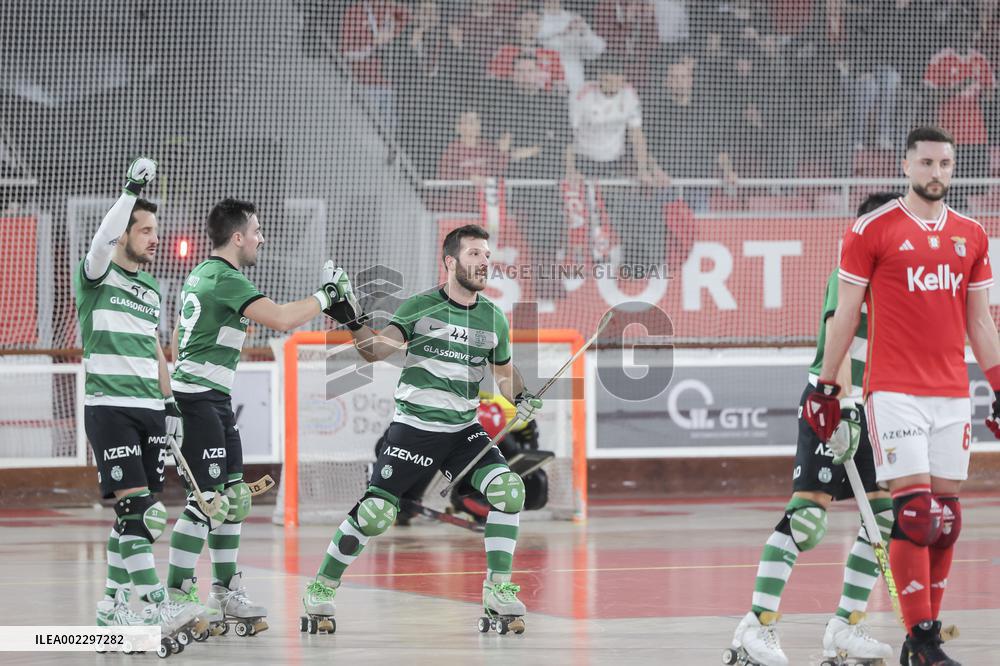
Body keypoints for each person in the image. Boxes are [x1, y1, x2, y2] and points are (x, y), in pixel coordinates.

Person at [806, 126, 1000, 666]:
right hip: (892, 391)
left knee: (946, 520)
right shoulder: (872, 229)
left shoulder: (973, 235)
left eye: (946, 164)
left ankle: (925, 634)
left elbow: (981, 322)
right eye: (927, 163)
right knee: (914, 514)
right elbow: (844, 315)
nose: (936, 173)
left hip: (952, 393)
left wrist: (999, 384)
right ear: (906, 166)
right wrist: (826, 385)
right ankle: (922, 641)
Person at [301, 224, 543, 635]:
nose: (485, 261)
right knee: (376, 514)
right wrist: (351, 319)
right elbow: (374, 352)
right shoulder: (418, 307)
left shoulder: (493, 318)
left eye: (486, 254)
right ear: (450, 261)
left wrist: (521, 397)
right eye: (474, 254)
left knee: (509, 490)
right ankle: (321, 588)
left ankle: (497, 589)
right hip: (413, 429)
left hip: (464, 432)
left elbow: (503, 375)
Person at [728, 192, 900, 666]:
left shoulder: (902, 283)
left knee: (882, 519)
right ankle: (756, 627)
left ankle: (845, 629)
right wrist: (841, 406)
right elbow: (838, 339)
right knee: (808, 519)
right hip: (832, 403)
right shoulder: (849, 276)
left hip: (878, 408)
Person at [165, 198, 341, 636]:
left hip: (212, 400)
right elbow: (281, 319)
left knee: (233, 500)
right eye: (257, 231)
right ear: (238, 237)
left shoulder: (203, 274)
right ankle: (177, 597)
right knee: (206, 505)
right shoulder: (225, 278)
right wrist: (326, 297)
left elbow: (174, 336)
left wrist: (181, 380)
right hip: (200, 402)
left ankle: (224, 593)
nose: (261, 238)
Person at [76, 158, 206, 645]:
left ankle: (111, 610)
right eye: (146, 230)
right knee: (144, 514)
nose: (155, 238)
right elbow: (98, 242)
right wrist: (131, 190)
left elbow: (154, 349)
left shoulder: (151, 288)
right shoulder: (96, 275)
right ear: (124, 233)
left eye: (157, 229)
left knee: (136, 521)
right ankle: (155, 610)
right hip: (108, 408)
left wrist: (170, 405)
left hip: (149, 410)